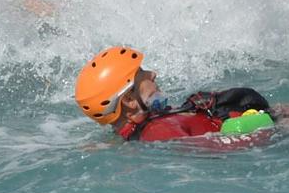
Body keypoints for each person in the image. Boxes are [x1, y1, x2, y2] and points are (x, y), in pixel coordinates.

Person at [74, 46, 275, 143]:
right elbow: (219, 148)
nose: (153, 74)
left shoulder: (151, 123)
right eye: (141, 74)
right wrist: (267, 128)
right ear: (129, 100)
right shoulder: (159, 131)